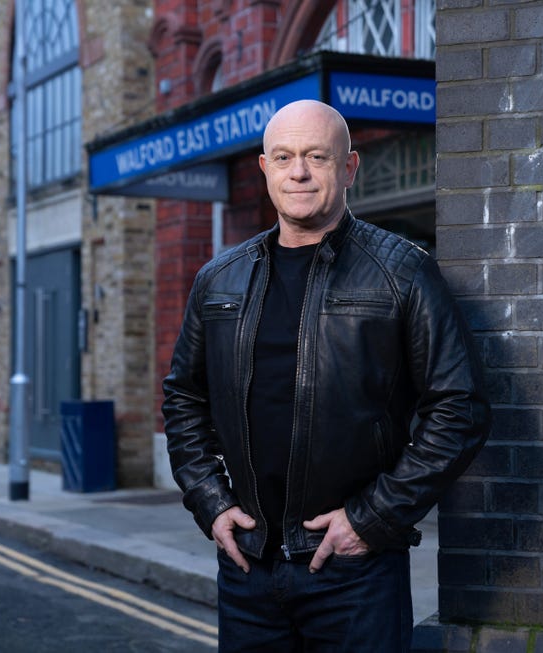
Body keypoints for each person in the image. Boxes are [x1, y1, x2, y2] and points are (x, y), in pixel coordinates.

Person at [162, 99, 490, 652]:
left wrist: (371, 519)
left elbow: (460, 408)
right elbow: (183, 399)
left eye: (317, 156)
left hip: (353, 571)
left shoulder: (403, 272)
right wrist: (210, 502)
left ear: (349, 168)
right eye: (285, 156)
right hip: (247, 569)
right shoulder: (219, 279)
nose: (299, 172)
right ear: (264, 167)